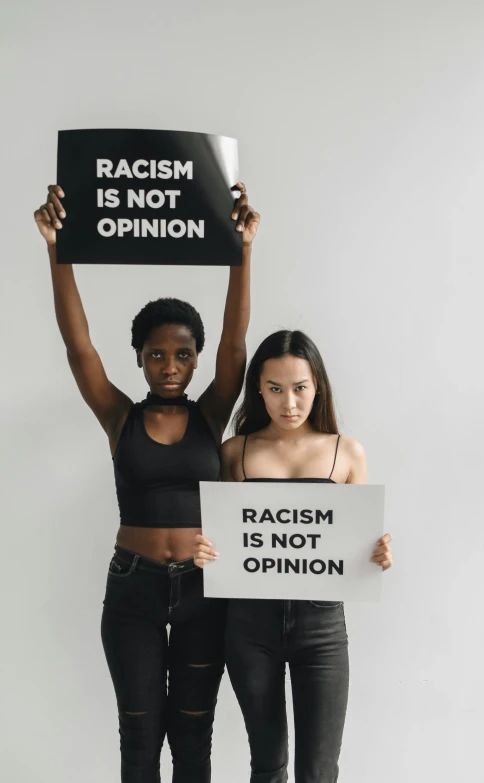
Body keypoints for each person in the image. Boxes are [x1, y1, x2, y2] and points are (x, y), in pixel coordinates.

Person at [34, 182, 260, 783]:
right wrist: (58, 248)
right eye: (156, 355)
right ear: (138, 357)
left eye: (182, 355)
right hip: (133, 591)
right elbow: (77, 344)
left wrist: (242, 250)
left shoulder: (211, 415)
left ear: (195, 359)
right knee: (139, 734)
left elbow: (235, 345)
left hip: (204, 591)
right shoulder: (119, 417)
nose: (169, 366)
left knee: (193, 735)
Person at [194, 329, 393, 783]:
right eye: (275, 389)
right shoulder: (234, 453)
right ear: (258, 390)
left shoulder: (347, 452)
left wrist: (377, 552)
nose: (289, 403)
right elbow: (225, 538)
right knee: (267, 766)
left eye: (300, 388)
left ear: (317, 386)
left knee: (319, 772)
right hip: (248, 628)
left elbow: (356, 542)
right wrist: (206, 551)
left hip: (321, 628)